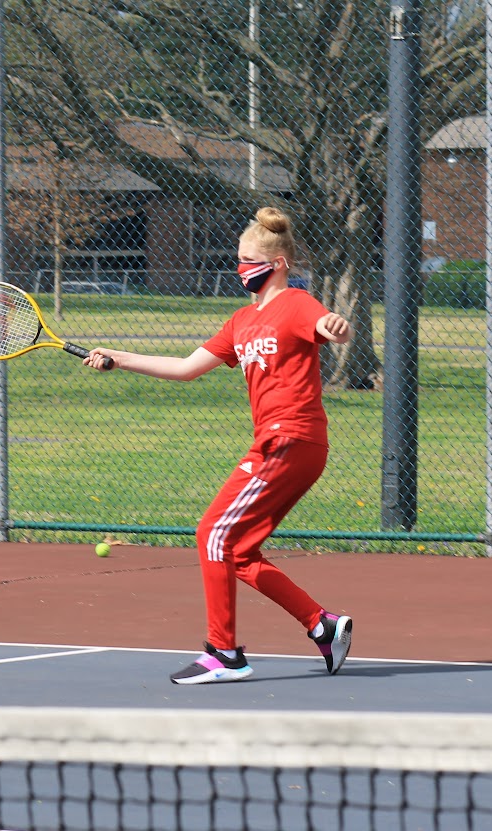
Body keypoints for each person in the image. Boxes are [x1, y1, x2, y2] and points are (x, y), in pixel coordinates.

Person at [83, 207, 353, 685]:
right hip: (280, 445)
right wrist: (118, 357)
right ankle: (322, 625)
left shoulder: (296, 302)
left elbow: (326, 323)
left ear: (279, 263)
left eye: (250, 260)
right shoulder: (241, 322)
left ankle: (224, 653)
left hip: (289, 440)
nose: (241, 269)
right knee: (237, 551)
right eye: (239, 260)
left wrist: (335, 325)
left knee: (211, 531)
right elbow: (187, 367)